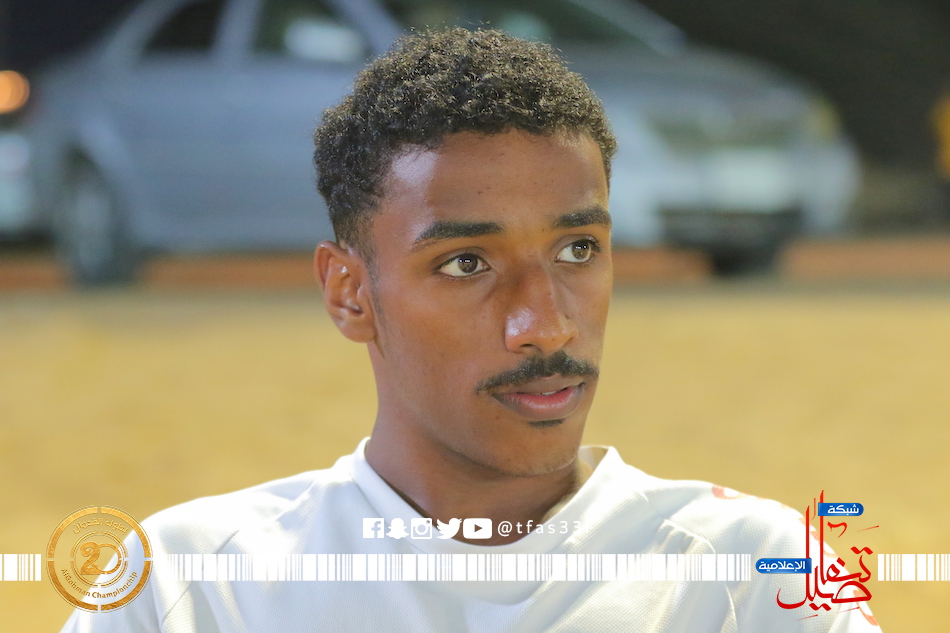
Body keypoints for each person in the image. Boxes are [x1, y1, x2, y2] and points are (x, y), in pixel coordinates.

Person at [62, 28, 880, 632]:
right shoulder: (189, 590)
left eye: (577, 249)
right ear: (350, 292)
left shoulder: (758, 578)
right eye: (466, 263)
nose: (544, 322)